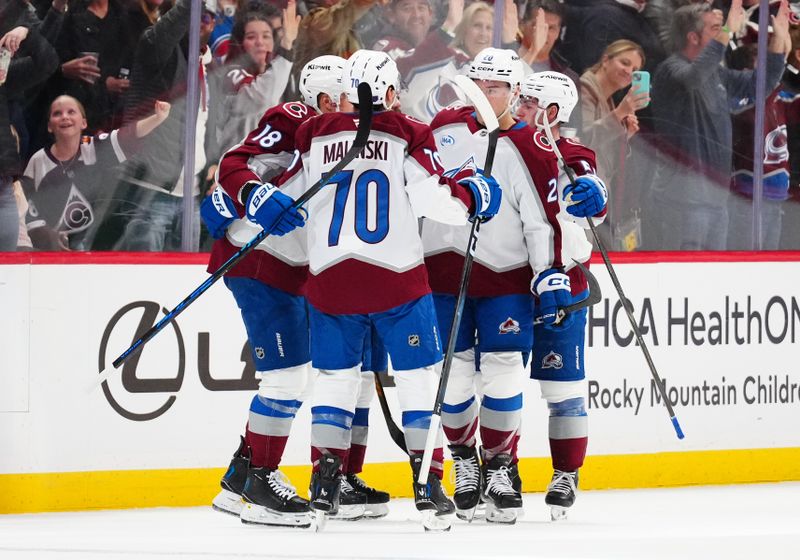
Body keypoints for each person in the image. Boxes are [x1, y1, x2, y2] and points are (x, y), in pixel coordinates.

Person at [275, 49, 500, 531]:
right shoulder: (408, 133)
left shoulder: (314, 133)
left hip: (331, 281)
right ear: (392, 93)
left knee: (335, 381)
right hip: (396, 282)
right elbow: (430, 198)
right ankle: (426, 484)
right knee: (418, 380)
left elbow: (290, 193)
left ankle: (323, 483)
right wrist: (471, 199)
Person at [204, 56, 390, 526]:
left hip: (298, 271)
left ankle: (240, 479)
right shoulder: (296, 121)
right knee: (286, 380)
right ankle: (261, 479)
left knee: (316, 378)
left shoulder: (357, 140)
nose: (360, 105)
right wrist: (252, 196)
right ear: (329, 99)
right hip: (259, 260)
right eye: (350, 95)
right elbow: (235, 163)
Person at [421, 48, 564, 524]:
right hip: (443, 276)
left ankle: (501, 465)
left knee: (502, 372)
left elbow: (543, 220)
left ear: (515, 92)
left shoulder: (530, 144)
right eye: (479, 84)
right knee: (456, 377)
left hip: (505, 280)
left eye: (497, 86)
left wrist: (549, 273)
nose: (486, 94)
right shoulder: (442, 130)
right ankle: (465, 460)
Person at [516, 70, 608, 521]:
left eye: (529, 102)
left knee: (563, 388)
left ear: (552, 112)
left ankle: (566, 473)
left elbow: (591, 184)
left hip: (563, 286)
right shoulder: (506, 147)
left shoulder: (573, 154)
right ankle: (499, 470)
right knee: (497, 386)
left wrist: (596, 194)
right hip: (510, 286)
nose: (519, 108)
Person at [650, 0, 789, 250]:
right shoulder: (671, 69)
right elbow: (693, 78)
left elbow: (761, 85)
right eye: (716, 28)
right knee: (685, 278)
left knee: (713, 279)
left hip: (716, 198)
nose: (725, 34)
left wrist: (778, 41)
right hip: (683, 200)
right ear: (693, 37)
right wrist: (727, 31)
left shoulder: (716, 73)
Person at [109, 0, 221, 252]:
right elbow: (162, 36)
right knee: (145, 285)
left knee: (185, 285)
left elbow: (208, 127)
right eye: (196, 16)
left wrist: (213, 166)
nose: (202, 24)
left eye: (207, 18)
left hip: (190, 195)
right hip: (149, 192)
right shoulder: (155, 49)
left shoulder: (209, 66)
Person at [22, 96, 170, 250]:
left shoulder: (92, 147)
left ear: (84, 123)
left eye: (71, 111)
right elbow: (26, 207)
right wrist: (48, 236)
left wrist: (158, 118)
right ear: (49, 126)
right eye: (57, 113)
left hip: (91, 245)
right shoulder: (38, 160)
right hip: (49, 249)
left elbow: (127, 136)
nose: (64, 116)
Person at [579, 39, 648, 250]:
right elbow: (583, 140)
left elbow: (604, 153)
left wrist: (624, 135)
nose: (629, 71)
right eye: (625, 63)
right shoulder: (585, 88)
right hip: (583, 194)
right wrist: (619, 113)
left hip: (597, 195)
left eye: (635, 69)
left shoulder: (607, 99)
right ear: (605, 60)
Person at [0, 22, 58, 251]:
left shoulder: (2, 77)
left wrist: (26, 33)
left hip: (3, 188)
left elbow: (48, 63)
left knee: (7, 273)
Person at [217, 3, 298, 152]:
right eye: (251, 37)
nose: (260, 42)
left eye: (266, 36)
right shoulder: (230, 74)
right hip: (235, 166)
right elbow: (260, 99)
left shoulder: (283, 75)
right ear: (240, 43)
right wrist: (287, 48)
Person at [516, 0, 581, 130]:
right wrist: (532, 51)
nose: (544, 33)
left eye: (551, 28)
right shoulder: (505, 61)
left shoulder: (568, 78)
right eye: (539, 26)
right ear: (522, 25)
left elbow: (571, 129)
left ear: (558, 33)